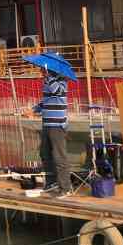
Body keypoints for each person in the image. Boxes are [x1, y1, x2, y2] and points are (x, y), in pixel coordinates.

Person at [33, 67, 72, 197]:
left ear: (50, 70)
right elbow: (46, 101)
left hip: (57, 125)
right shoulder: (47, 82)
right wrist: (34, 110)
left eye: (43, 71)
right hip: (47, 123)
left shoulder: (62, 82)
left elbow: (56, 91)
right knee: (44, 153)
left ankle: (66, 188)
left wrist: (48, 76)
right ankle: (52, 182)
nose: (41, 73)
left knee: (59, 157)